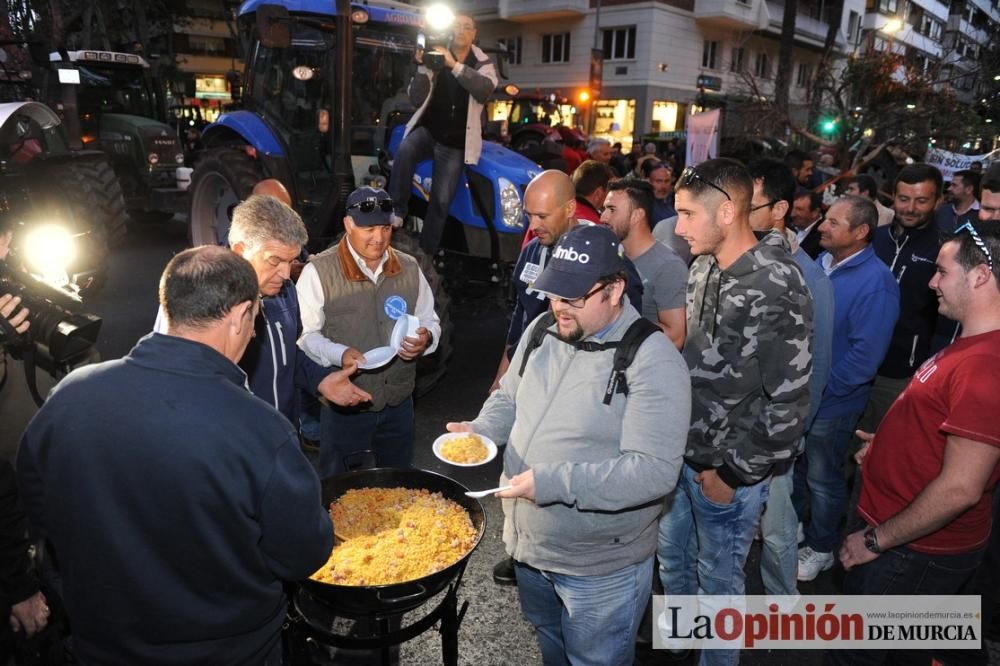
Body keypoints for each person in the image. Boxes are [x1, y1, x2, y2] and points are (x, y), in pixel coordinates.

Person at [17, 246, 334, 664]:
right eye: (255, 319)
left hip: (100, 645)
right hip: (233, 651)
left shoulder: (69, 397)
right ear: (241, 315)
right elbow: (302, 554)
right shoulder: (260, 430)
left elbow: (36, 511)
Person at [450, 223, 690, 666]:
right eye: (554, 294)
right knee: (551, 644)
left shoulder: (653, 359)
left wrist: (550, 483)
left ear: (614, 289)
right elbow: (508, 395)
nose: (559, 308)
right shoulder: (543, 328)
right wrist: (482, 431)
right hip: (530, 548)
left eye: (573, 298)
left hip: (599, 567)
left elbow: (654, 471)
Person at [657, 159, 813, 666]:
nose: (679, 230)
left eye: (686, 215)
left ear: (726, 212)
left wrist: (733, 473)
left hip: (727, 473)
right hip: (682, 455)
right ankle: (679, 647)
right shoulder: (704, 265)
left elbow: (788, 402)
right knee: (673, 561)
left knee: (719, 582)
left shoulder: (778, 283)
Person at [831, 222, 1000, 666]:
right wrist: (886, 443)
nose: (931, 282)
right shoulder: (969, 341)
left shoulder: (986, 366)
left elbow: (962, 488)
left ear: (980, 275)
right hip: (901, 536)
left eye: (942, 272)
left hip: (912, 551)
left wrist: (874, 541)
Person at [153, 195, 371, 425]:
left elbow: (288, 353)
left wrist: (321, 380)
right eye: (275, 261)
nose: (286, 274)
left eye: (291, 261)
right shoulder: (197, 296)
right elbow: (174, 381)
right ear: (239, 251)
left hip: (280, 435)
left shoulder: (284, 291)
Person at [297, 186, 440, 478]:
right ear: (349, 225)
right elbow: (306, 336)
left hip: (398, 402)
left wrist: (426, 339)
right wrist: (341, 354)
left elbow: (430, 318)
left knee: (398, 482)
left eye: (385, 227)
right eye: (369, 228)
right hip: (346, 408)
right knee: (342, 490)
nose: (379, 238)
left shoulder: (410, 268)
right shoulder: (319, 272)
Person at [792, 196, 899, 582]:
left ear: (860, 233)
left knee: (823, 478)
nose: (822, 226)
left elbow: (862, 360)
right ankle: (798, 529)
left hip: (833, 404)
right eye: (825, 219)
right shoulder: (818, 265)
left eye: (833, 223)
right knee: (799, 470)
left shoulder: (878, 283)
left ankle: (821, 548)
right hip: (801, 397)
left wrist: (820, 392)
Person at [746, 158, 834, 597]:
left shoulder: (809, 277)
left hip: (778, 430)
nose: (740, 214)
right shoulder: (747, 262)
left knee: (778, 525)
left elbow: (815, 369)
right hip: (742, 425)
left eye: (751, 205)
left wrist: (792, 434)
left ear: (778, 210)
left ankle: (783, 606)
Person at [387, 13, 497, 255]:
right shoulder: (434, 54)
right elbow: (416, 98)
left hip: (456, 142)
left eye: (466, 26)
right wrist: (421, 67)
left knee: (441, 201)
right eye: (457, 26)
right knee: (405, 149)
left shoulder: (483, 62)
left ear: (474, 33)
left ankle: (427, 253)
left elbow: (484, 90)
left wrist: (454, 66)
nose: (461, 30)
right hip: (430, 130)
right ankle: (397, 211)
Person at [861, 164, 947, 434]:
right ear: (893, 198)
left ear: (938, 201)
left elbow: (945, 320)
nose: (910, 208)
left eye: (921, 200)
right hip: (856, 364)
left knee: (880, 447)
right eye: (903, 199)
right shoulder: (875, 239)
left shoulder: (944, 249)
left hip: (900, 370)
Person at [601, 177, 686, 349]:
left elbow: (676, 338)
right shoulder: (609, 256)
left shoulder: (668, 267)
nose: (603, 217)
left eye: (612, 210)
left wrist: (614, 322)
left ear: (637, 215)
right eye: (603, 209)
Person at [571, 159, 613, 224]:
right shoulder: (596, 226)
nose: (610, 195)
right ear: (598, 194)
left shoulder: (561, 211)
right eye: (609, 189)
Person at [790, 188, 824, 259]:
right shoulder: (788, 223)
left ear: (815, 212)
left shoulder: (822, 238)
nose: (792, 214)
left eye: (799, 209)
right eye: (792, 208)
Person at [641, 160, 677, 226]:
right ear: (650, 182)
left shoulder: (677, 200)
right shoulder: (643, 204)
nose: (663, 186)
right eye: (658, 181)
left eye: (667, 181)